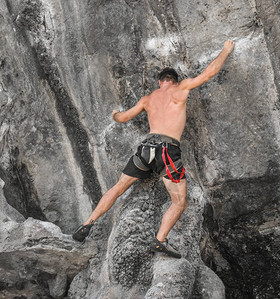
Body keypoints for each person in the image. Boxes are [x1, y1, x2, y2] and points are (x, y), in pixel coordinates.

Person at [72, 40, 235, 258]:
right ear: (174, 81)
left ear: (160, 82)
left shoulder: (148, 99)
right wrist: (225, 51)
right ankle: (160, 240)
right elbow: (209, 73)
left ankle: (87, 223)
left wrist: (113, 115)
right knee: (179, 201)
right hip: (166, 150)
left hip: (145, 149)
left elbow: (124, 117)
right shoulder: (181, 89)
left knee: (119, 187)